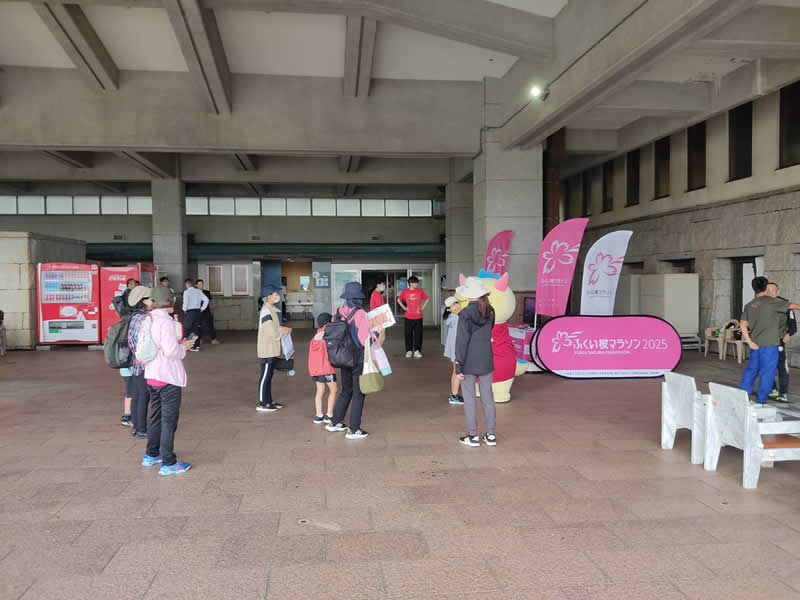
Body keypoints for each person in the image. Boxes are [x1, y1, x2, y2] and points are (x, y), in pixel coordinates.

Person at [142, 285, 195, 476]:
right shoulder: (165, 322)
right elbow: (172, 351)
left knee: (155, 417)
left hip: (152, 375)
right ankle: (168, 462)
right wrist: (184, 347)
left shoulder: (148, 318)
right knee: (168, 421)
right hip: (167, 377)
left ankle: (151, 454)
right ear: (170, 301)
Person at [326, 282, 385, 440]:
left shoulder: (337, 312)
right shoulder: (360, 313)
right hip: (357, 359)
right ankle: (354, 429)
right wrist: (376, 333)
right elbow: (362, 339)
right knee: (359, 393)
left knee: (346, 390)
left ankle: (335, 422)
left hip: (342, 357)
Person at [740, 276, 800, 404]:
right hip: (770, 345)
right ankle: (761, 400)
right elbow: (796, 306)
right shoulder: (773, 302)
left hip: (755, 344)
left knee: (751, 370)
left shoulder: (749, 305)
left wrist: (749, 341)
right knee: (767, 373)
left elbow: (742, 324)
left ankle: (742, 397)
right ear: (766, 287)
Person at [454, 277, 497, 447]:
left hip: (468, 362)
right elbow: (489, 331)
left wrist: (458, 365)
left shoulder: (465, 314)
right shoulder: (490, 311)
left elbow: (461, 341)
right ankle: (491, 435)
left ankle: (472, 436)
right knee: (488, 398)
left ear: (468, 294)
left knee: (470, 399)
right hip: (486, 359)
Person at [257, 284, 291, 412]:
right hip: (267, 350)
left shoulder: (271, 309)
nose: (277, 296)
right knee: (265, 377)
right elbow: (271, 331)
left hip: (271, 348)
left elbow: (274, 328)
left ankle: (268, 401)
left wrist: (283, 329)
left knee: (269, 376)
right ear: (269, 296)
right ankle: (262, 403)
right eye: (276, 294)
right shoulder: (266, 311)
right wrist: (283, 330)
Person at [127, 285, 154, 439]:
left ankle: (136, 426)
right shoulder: (144, 318)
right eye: (151, 299)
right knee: (144, 395)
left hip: (136, 362)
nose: (153, 301)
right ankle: (141, 429)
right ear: (143, 301)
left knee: (137, 394)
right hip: (143, 362)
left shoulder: (135, 316)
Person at [767, 282, 797, 402]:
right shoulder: (762, 304)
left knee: (782, 367)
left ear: (778, 292)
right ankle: (772, 388)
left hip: (779, 341)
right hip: (765, 341)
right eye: (768, 291)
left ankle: (783, 392)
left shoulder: (785, 304)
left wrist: (788, 334)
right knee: (767, 366)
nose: (770, 293)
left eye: (773, 291)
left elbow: (793, 325)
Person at [308, 312, 337, 424]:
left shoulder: (315, 337)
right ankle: (329, 415)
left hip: (316, 369)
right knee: (334, 390)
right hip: (326, 368)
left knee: (320, 391)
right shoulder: (327, 337)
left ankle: (318, 415)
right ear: (327, 324)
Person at [398, 276, 428, 359]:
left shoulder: (420, 291)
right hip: (408, 317)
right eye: (415, 283)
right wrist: (405, 308)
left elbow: (427, 299)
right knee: (408, 334)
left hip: (418, 317)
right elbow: (399, 300)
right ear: (410, 283)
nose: (416, 284)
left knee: (418, 334)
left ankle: (417, 351)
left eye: (417, 283)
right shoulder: (405, 291)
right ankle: (409, 351)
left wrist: (421, 308)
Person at [442, 296, 464, 405]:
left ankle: (453, 394)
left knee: (455, 371)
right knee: (457, 372)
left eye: (456, 303)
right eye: (452, 305)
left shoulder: (452, 317)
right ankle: (454, 396)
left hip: (454, 348)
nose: (456, 306)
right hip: (457, 349)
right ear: (449, 309)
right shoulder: (456, 318)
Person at [182, 279, 208, 352]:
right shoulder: (199, 291)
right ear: (193, 284)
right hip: (198, 312)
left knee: (187, 328)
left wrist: (184, 309)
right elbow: (206, 300)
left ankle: (186, 345)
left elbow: (185, 302)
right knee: (195, 329)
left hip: (190, 312)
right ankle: (195, 346)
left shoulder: (186, 292)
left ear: (186, 285)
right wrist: (202, 308)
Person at [196, 279, 220, 345]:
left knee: (210, 325)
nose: (201, 286)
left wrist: (211, 311)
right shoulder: (194, 293)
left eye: (202, 284)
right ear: (196, 285)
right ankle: (199, 339)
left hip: (207, 312)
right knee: (198, 326)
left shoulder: (206, 292)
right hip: (198, 312)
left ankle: (213, 339)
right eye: (199, 284)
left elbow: (209, 302)